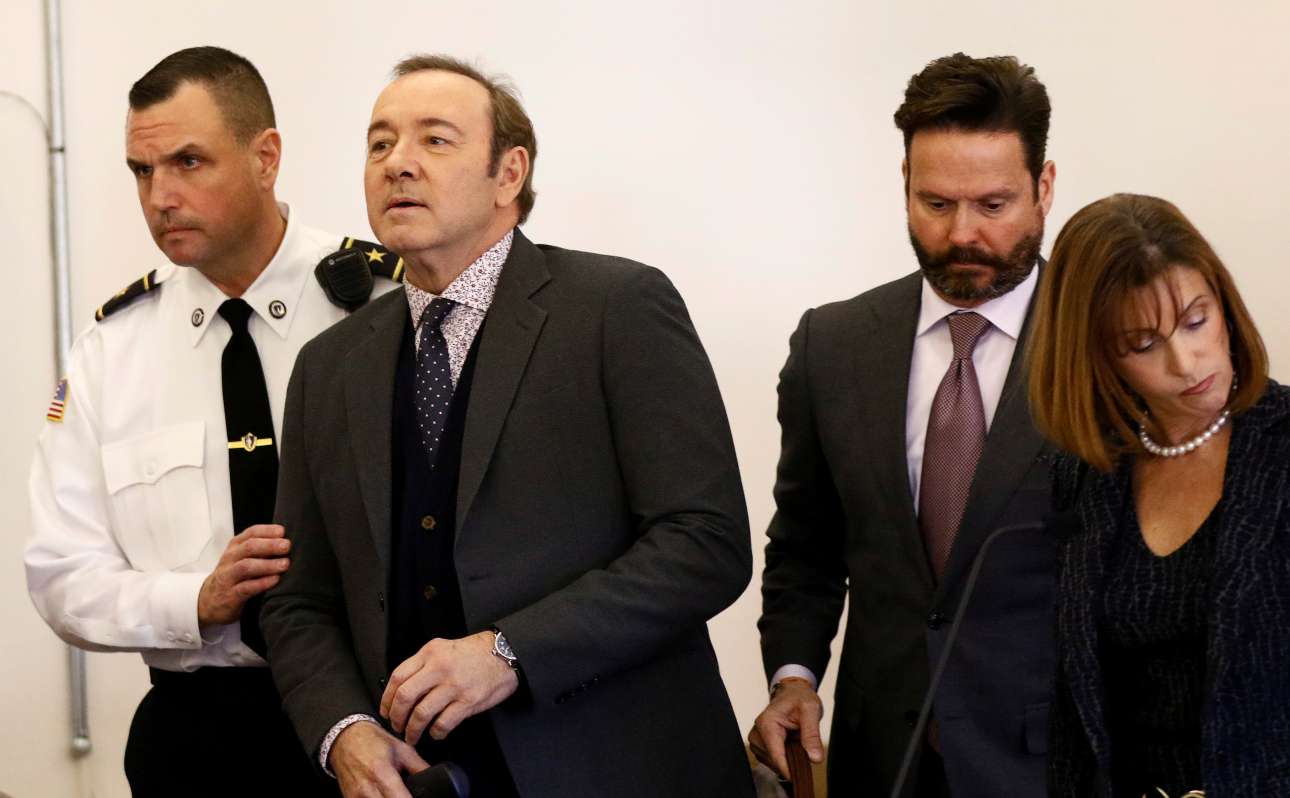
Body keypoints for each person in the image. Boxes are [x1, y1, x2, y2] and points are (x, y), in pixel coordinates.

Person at [259, 54, 755, 798]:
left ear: (508, 174)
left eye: (435, 140)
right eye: (380, 143)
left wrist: (509, 652)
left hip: (614, 769)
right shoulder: (328, 367)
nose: (398, 163)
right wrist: (341, 730)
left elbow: (704, 542)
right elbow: (300, 599)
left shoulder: (617, 308)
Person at [25, 46, 393, 796]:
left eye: (188, 162)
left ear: (266, 157)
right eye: (141, 171)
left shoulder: (385, 304)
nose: (160, 196)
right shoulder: (113, 350)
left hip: (380, 716)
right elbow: (62, 574)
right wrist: (194, 600)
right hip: (201, 733)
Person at [751, 53, 1061, 797]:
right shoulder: (832, 345)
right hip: (881, 755)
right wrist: (794, 677)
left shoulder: (1105, 343)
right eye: (936, 203)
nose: (962, 234)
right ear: (904, 185)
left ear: (1044, 188)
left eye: (993, 205)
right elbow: (806, 545)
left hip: (1050, 757)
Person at [1027, 193, 1290, 797]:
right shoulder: (1083, 475)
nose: (1186, 361)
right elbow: (1075, 707)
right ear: (1098, 357)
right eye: (1144, 344)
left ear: (1223, 303)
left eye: (1196, 321)